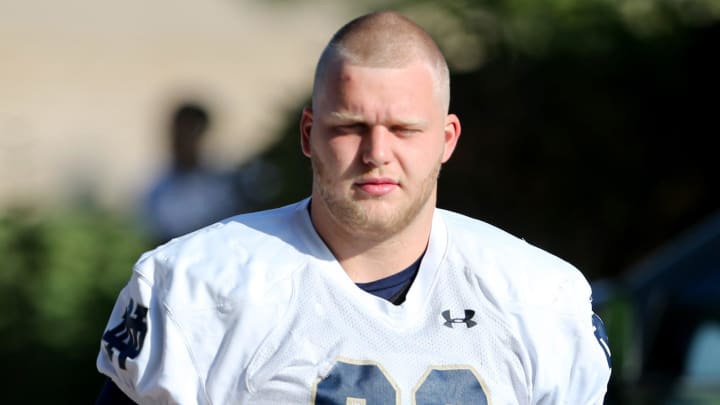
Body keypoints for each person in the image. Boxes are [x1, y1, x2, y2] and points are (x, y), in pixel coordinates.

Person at [96, 11, 611, 404]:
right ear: (308, 134)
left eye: (404, 129)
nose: (377, 154)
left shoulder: (541, 299)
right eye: (350, 127)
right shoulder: (193, 288)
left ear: (447, 139)